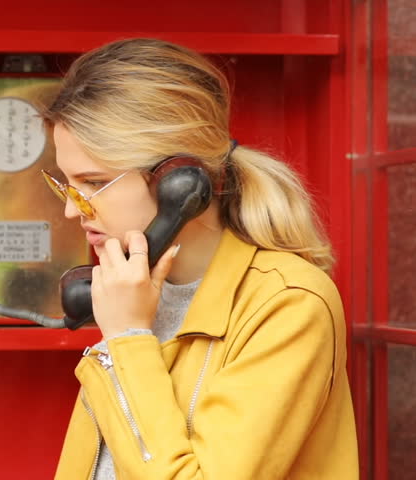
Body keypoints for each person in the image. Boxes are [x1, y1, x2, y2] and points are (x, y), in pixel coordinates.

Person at [40, 38, 358, 479]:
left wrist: (127, 339)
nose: (73, 210)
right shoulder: (133, 293)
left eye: (93, 183)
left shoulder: (287, 306)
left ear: (179, 180)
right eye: (66, 185)